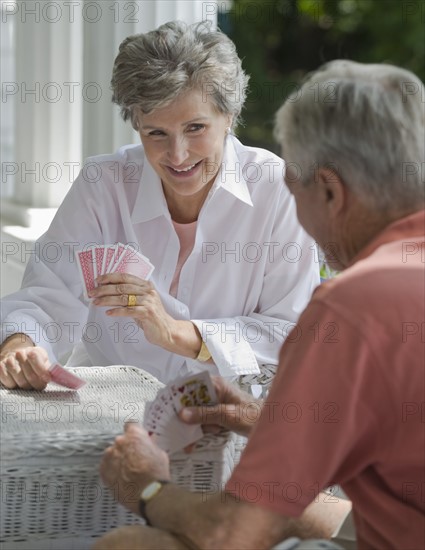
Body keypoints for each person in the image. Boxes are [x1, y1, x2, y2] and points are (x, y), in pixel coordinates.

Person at [94, 60, 425, 550]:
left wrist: (146, 485)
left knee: (129, 546)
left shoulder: (352, 307)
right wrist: (266, 418)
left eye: (294, 187)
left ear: (330, 191)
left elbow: (233, 534)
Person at [0, 21, 319, 389]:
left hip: (231, 415)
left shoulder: (277, 190)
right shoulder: (103, 185)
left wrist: (176, 333)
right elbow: (45, 299)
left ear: (229, 116)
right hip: (110, 408)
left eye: (196, 128)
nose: (178, 155)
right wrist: (20, 346)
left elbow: (291, 333)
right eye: (156, 133)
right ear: (136, 123)